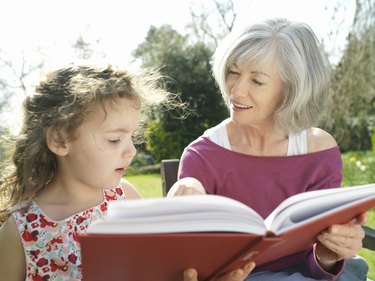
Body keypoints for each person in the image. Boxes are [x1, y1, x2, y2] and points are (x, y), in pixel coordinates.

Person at [0, 63, 255, 281]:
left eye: (131, 137)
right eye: (114, 140)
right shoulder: (21, 229)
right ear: (59, 140)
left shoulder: (125, 198)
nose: (131, 151)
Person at [172, 18, 369, 281]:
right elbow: (190, 263)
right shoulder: (203, 155)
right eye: (233, 72)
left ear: (290, 91)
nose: (236, 90)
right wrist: (187, 192)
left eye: (257, 81)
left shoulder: (319, 152)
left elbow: (320, 262)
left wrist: (330, 254)